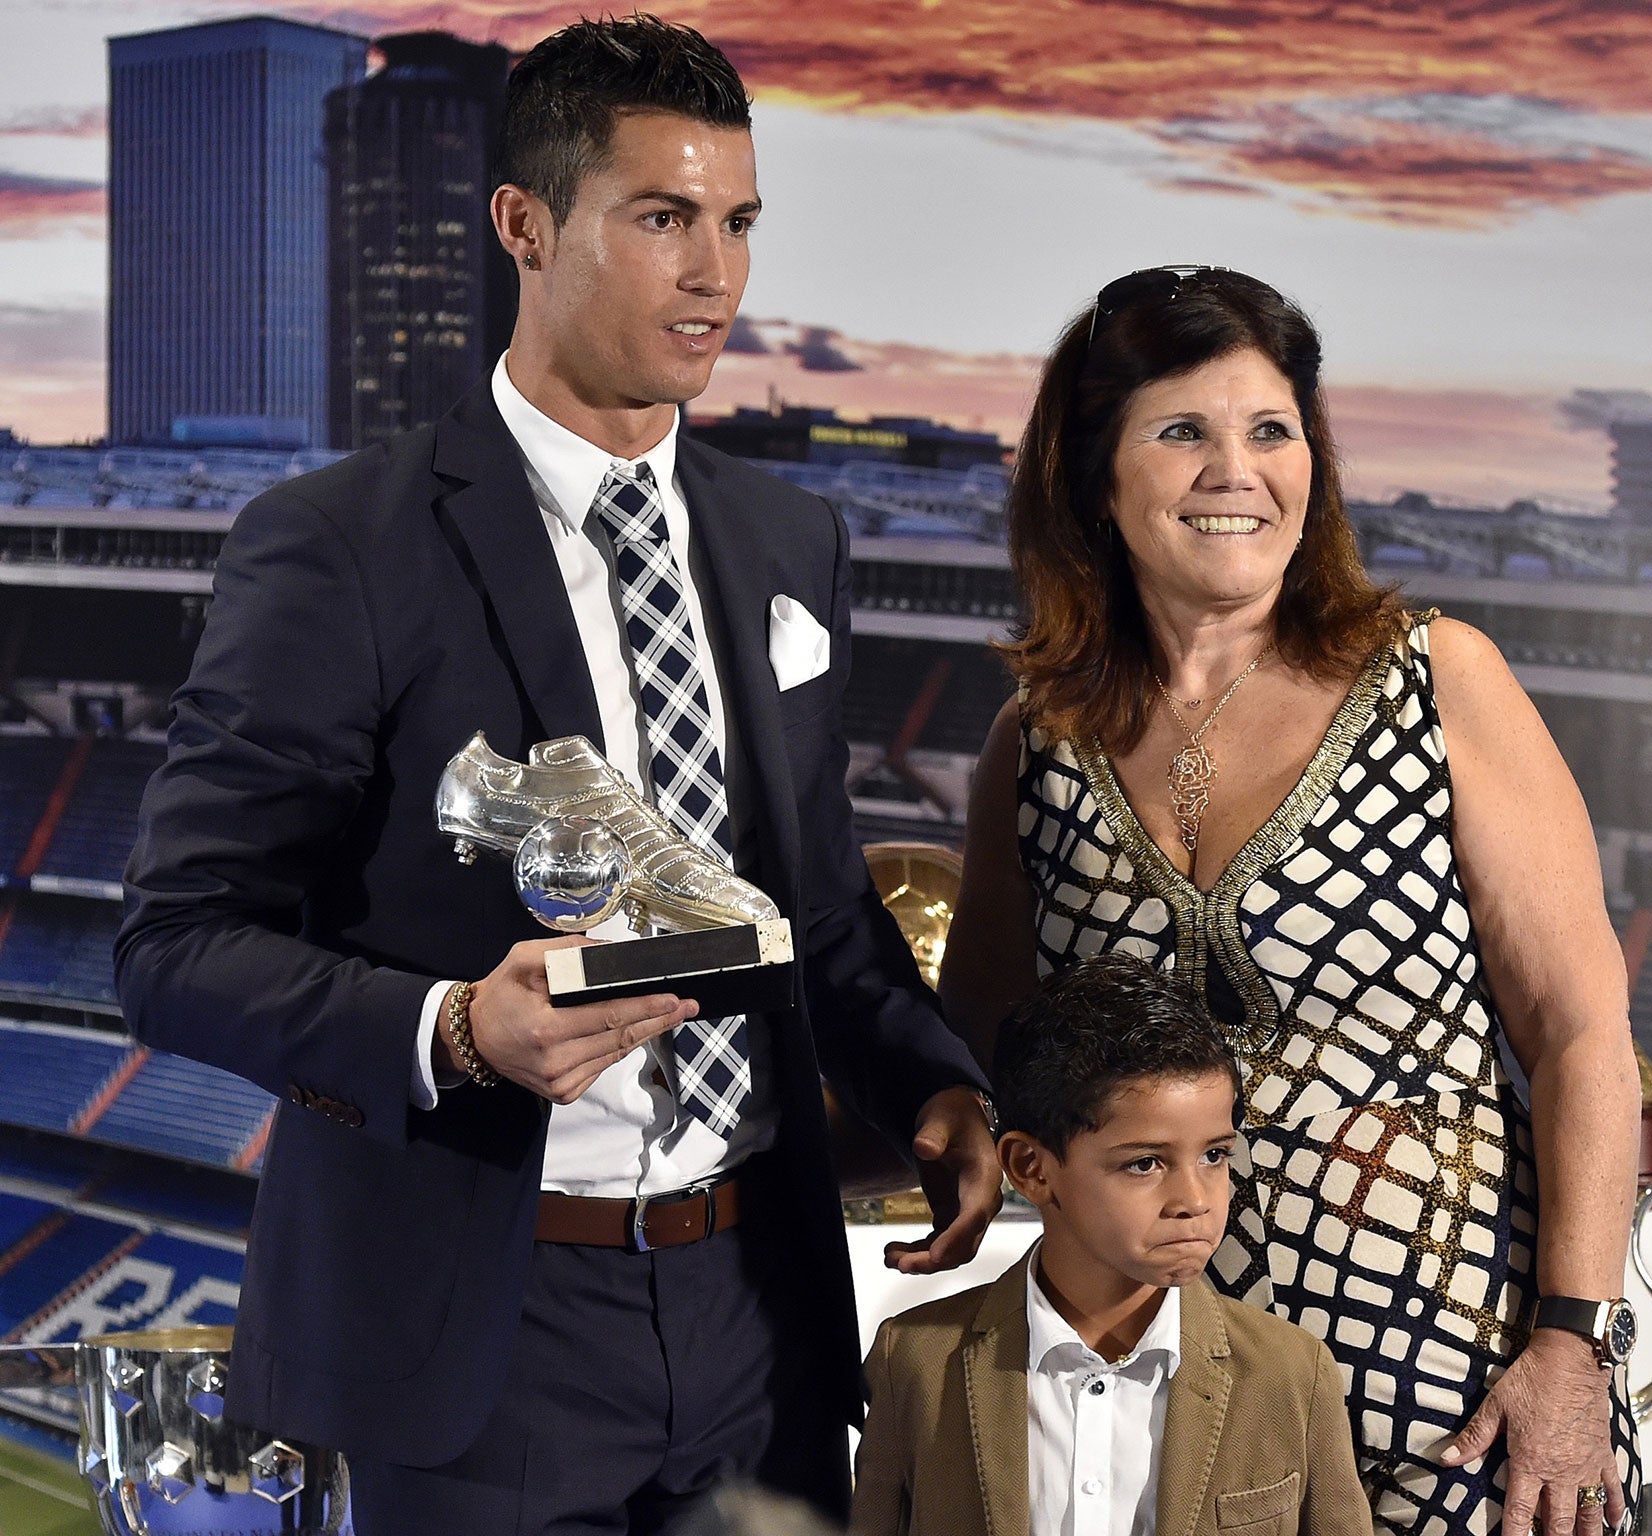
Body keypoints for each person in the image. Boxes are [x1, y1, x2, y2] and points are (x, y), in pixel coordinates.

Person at [114, 18, 1000, 1533]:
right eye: (662, 219)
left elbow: (821, 912)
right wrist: (453, 1029)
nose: (716, 273)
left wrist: (934, 1084)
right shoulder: (340, 545)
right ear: (525, 225)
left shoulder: (793, 543)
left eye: (736, 223)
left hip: (760, 1317)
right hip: (487, 1324)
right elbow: (173, 943)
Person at [940, 266, 1643, 1535]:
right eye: (1181, 432)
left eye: (1271, 430)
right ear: (1091, 471)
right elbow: (986, 1059)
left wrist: (1573, 1346)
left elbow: (1584, 1034)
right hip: (1164, 1390)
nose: (1234, 471)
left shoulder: (1436, 681)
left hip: (1460, 1385)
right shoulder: (1033, 747)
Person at [849, 951, 1372, 1536]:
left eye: (1215, 1155)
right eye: (1145, 1163)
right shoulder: (915, 1363)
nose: (1194, 1199)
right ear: (1030, 1168)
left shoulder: (1292, 1374)